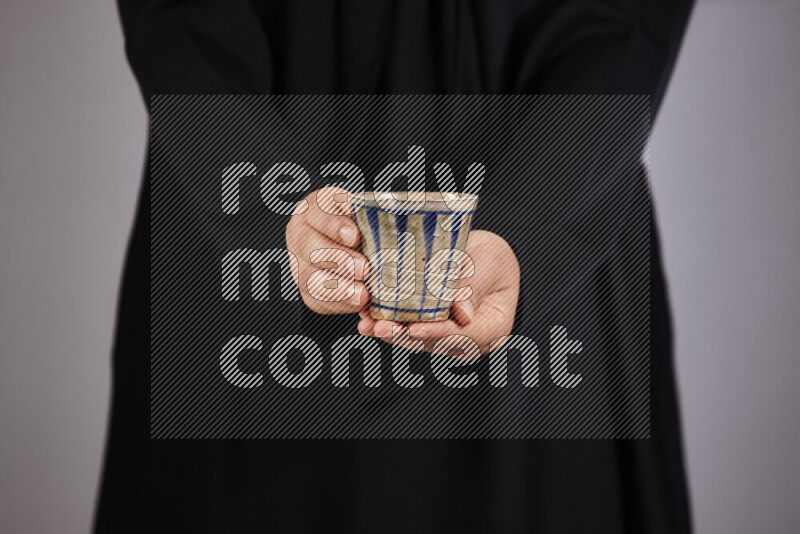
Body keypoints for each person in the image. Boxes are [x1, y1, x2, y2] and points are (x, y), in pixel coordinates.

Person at [96, 0, 694, 532]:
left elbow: (628, 22)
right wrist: (264, 201)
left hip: (555, 211)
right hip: (230, 211)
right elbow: (179, 19)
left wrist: (525, 231)